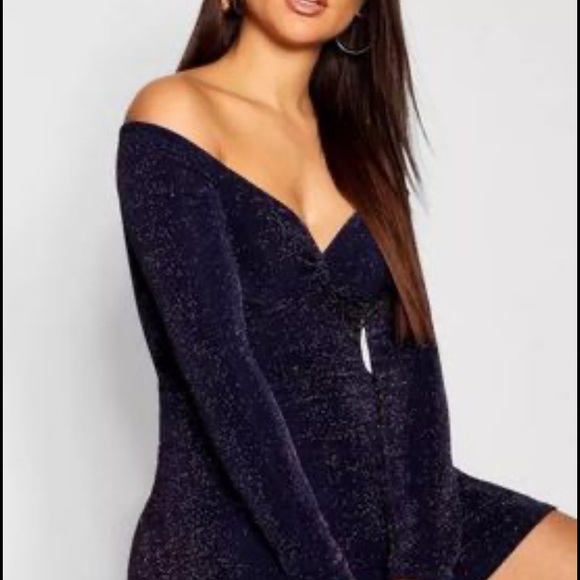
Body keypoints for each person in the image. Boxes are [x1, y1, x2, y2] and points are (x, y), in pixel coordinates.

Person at [115, 1, 577, 578]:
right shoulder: (175, 112)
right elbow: (221, 371)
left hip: (378, 499)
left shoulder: (360, 149)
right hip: (232, 523)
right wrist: (321, 568)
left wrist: (422, 559)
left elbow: (410, 367)